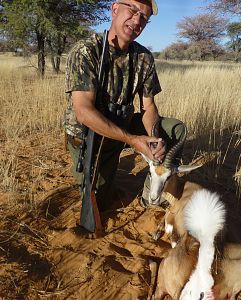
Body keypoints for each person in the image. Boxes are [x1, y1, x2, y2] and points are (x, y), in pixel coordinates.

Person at [63, 0, 186, 232]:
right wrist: (132, 140)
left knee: (175, 130)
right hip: (90, 138)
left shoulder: (144, 57)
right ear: (114, 9)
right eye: (133, 10)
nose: (137, 20)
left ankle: (154, 192)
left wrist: (153, 139)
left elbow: (148, 107)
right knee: (99, 201)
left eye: (144, 17)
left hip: (122, 130)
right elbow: (83, 111)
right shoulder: (86, 51)